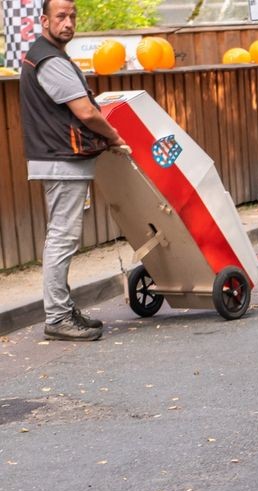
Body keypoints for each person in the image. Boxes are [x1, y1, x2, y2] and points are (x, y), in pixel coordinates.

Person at [19, 0, 127, 341]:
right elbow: (86, 112)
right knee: (62, 239)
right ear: (44, 20)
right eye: (61, 16)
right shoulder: (50, 59)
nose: (68, 23)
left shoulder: (48, 55)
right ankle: (58, 317)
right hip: (61, 159)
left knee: (61, 237)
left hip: (60, 157)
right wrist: (114, 136)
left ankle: (63, 309)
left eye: (72, 16)